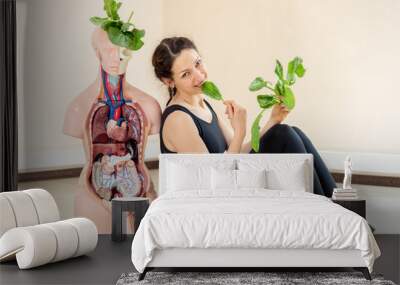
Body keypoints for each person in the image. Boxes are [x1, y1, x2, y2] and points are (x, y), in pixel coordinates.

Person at [152, 37, 336, 197]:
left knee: (290, 131)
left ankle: (338, 204)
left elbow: (239, 153)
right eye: (186, 74)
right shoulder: (178, 119)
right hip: (216, 196)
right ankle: (331, 211)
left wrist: (273, 120)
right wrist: (239, 131)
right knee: (283, 134)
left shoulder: (202, 103)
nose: (199, 76)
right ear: (169, 81)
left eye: (198, 63)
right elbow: (214, 182)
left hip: (233, 180)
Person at [62, 27, 161, 233]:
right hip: (94, 194)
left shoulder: (149, 106)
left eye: (123, 51)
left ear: (131, 52)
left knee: (146, 256)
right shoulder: (78, 107)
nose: (116, 57)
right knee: (101, 258)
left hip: (141, 191)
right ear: (97, 53)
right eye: (109, 50)